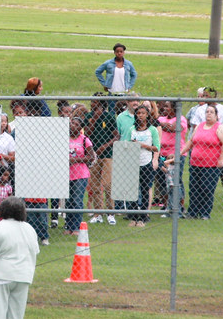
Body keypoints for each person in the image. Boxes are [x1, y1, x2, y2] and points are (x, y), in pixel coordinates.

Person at [181, 105, 223, 220]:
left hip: (211, 165)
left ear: (217, 115)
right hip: (195, 163)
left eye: (211, 112)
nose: (208, 114)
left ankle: (205, 213)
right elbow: (191, 141)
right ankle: (192, 212)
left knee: (207, 188)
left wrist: (221, 158)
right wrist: (181, 152)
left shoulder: (220, 127)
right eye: (207, 112)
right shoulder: (199, 126)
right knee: (194, 188)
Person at [85, 95, 119, 225]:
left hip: (107, 155)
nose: (91, 104)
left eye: (94, 102)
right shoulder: (89, 117)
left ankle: (111, 213)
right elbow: (86, 134)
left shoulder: (109, 117)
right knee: (95, 184)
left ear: (100, 104)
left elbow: (116, 136)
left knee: (107, 183)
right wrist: (93, 120)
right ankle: (98, 213)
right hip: (93, 155)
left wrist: (105, 146)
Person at [126, 104, 160, 227]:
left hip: (146, 163)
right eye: (138, 113)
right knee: (133, 191)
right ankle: (134, 217)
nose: (140, 115)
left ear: (147, 115)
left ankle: (144, 217)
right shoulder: (132, 130)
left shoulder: (152, 130)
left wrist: (142, 145)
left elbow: (156, 147)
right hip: (133, 163)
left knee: (145, 189)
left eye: (143, 113)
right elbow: (126, 144)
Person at [156, 101, 188, 215]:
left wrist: (161, 125)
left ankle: (177, 208)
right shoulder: (162, 118)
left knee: (174, 182)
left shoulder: (181, 119)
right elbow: (158, 125)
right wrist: (162, 124)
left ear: (174, 108)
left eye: (167, 106)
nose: (164, 108)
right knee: (163, 182)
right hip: (162, 155)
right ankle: (167, 206)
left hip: (175, 155)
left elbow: (175, 128)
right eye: (163, 106)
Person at [65, 117, 95, 235]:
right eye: (72, 123)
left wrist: (75, 160)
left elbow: (91, 157)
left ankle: (76, 227)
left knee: (77, 201)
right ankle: (68, 226)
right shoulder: (63, 138)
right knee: (68, 201)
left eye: (76, 124)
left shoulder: (84, 140)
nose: (73, 126)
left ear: (80, 128)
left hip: (80, 174)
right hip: (66, 174)